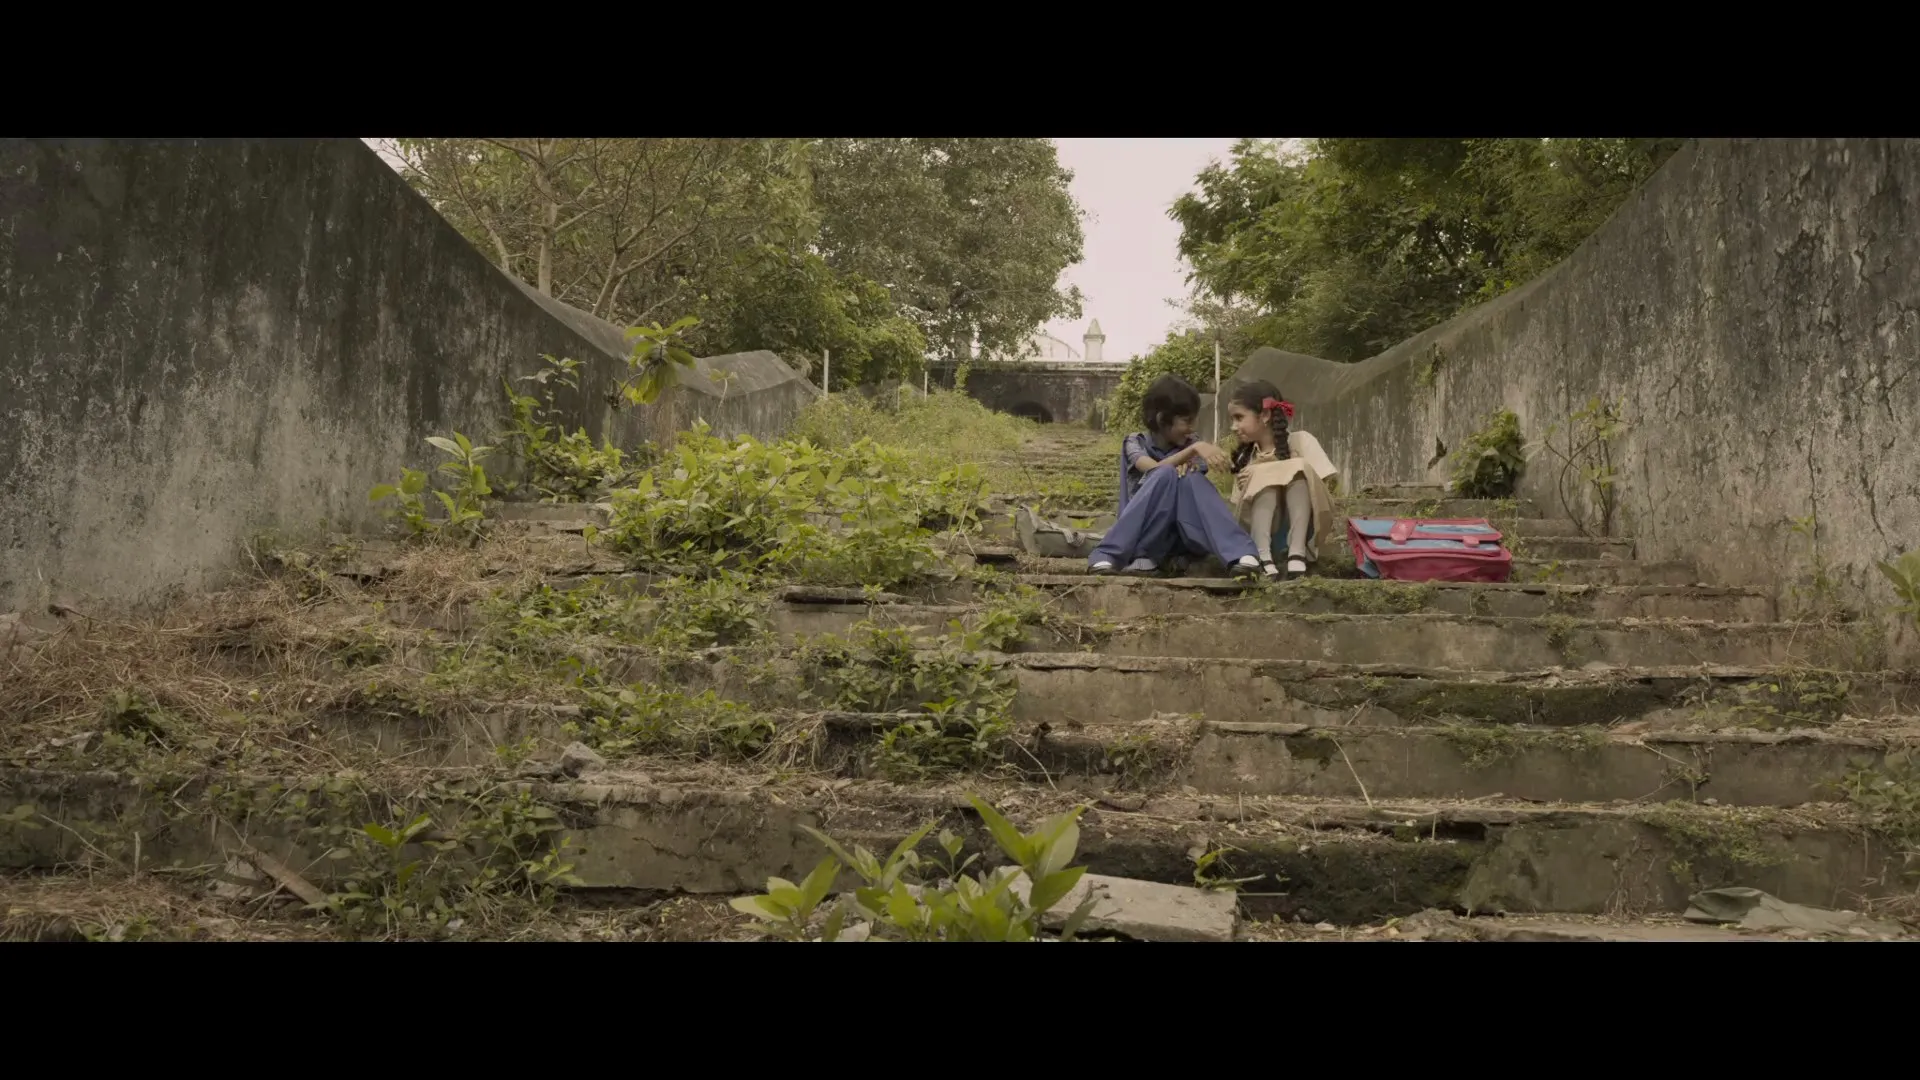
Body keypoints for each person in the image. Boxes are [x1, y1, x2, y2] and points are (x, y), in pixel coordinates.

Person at [1088, 374, 1263, 577]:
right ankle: (1109, 553)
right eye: (1187, 421)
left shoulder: (1191, 442)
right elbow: (1154, 469)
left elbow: (1194, 481)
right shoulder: (1135, 442)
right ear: (1162, 419)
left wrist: (1194, 455)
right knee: (1165, 473)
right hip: (1141, 535)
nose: (1192, 428)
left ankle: (1240, 552)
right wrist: (1192, 451)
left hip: (1182, 537)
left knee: (1192, 479)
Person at [1226, 379, 1339, 580]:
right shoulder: (1247, 459)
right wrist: (1253, 481)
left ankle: (1297, 553)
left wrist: (1269, 471)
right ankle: (1262, 556)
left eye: (1239, 418)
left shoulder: (1301, 440)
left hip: (1303, 529)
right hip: (1264, 531)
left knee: (1297, 468)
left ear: (1265, 415)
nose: (1233, 426)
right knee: (1264, 475)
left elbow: (1325, 485)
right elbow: (1240, 512)